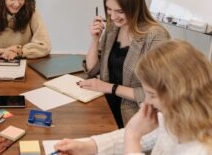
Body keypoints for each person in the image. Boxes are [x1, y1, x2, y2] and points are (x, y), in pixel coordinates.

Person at [54, 40, 212, 154]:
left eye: (151, 95)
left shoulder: (202, 149)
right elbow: (142, 136)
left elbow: (135, 136)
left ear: (179, 94)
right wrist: (88, 146)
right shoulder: (173, 116)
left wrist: (132, 137)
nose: (147, 101)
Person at [80, 0, 169, 127]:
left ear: (134, 7)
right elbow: (92, 69)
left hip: (135, 116)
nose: (113, 16)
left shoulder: (156, 36)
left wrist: (110, 88)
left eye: (119, 11)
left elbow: (158, 93)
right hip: (105, 107)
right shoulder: (113, 28)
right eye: (109, 9)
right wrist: (95, 39)